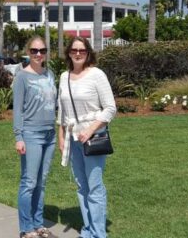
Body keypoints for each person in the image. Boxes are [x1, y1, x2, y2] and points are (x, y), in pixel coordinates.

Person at [57, 37, 116, 238]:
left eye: (82, 50)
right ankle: (88, 230)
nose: (78, 53)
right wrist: (61, 136)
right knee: (82, 186)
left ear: (88, 52)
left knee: (95, 186)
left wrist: (90, 129)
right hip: (73, 139)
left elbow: (110, 109)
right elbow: (62, 111)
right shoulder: (64, 77)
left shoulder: (96, 75)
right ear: (69, 53)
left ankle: (99, 233)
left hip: (93, 138)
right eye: (74, 50)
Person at [12, 36, 57, 238]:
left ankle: (38, 224)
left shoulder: (50, 74)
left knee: (41, 182)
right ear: (28, 52)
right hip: (31, 134)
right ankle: (26, 228)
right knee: (29, 182)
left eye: (42, 50)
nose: (39, 54)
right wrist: (18, 136)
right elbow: (17, 109)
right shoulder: (22, 76)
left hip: (50, 134)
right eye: (34, 51)